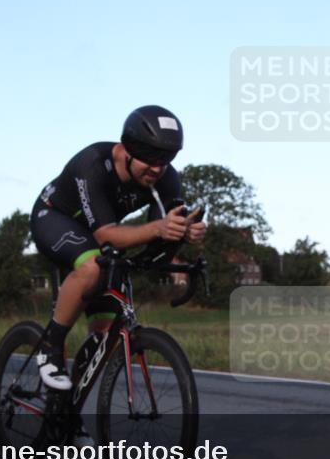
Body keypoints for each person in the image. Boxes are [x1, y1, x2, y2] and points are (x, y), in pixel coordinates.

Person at [29, 105, 205, 391]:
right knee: (91, 266)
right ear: (127, 149)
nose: (157, 169)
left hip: (100, 234)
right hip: (55, 219)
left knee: (105, 336)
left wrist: (184, 233)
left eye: (166, 159)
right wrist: (158, 228)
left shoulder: (166, 179)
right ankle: (50, 346)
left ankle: (67, 412)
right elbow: (105, 235)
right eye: (149, 159)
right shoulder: (93, 163)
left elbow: (160, 242)